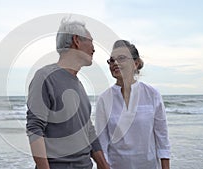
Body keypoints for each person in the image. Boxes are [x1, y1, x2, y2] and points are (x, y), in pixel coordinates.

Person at [26, 18, 110, 169]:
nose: (94, 48)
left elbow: (88, 131)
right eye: (91, 41)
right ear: (76, 40)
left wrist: (104, 165)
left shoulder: (79, 85)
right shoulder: (45, 77)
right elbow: (35, 129)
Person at [95, 40, 170, 169]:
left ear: (135, 64)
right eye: (112, 60)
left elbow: (162, 139)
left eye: (122, 58)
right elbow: (102, 143)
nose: (115, 63)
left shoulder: (152, 94)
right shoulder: (104, 99)